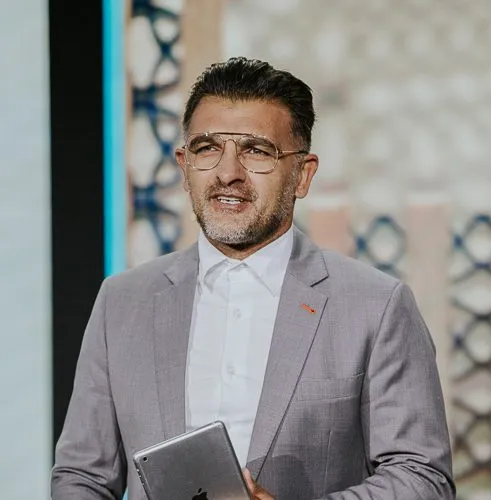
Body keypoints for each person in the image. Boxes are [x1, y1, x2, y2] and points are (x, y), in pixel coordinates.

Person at [51, 57, 455, 499]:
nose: (228, 173)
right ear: (184, 165)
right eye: (208, 148)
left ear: (303, 175)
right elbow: (82, 477)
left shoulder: (375, 306)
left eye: (257, 151)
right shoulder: (123, 301)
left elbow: (422, 478)